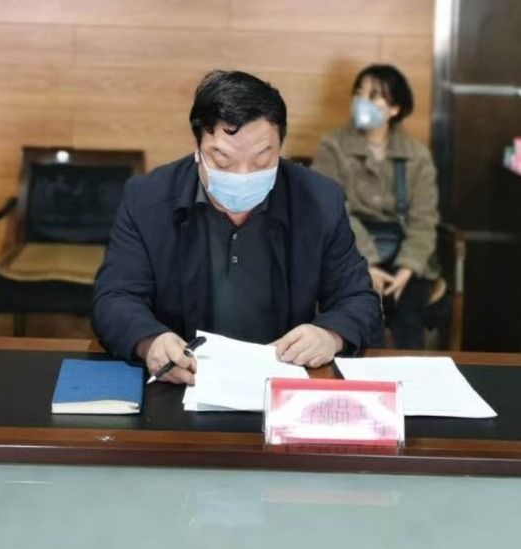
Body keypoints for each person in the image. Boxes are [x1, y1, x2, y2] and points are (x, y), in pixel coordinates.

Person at [93, 70, 381, 384]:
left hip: (283, 381)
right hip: (184, 381)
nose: (243, 175)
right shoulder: (148, 199)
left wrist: (330, 335)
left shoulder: (319, 201)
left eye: (261, 160)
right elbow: (114, 298)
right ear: (198, 148)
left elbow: (359, 299)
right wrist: (151, 342)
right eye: (223, 160)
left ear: (280, 148)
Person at [312, 64, 440, 349]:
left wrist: (407, 268)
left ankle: (412, 374)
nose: (362, 101)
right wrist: (367, 263)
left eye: (373, 96)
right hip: (348, 250)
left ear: (394, 108)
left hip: (405, 254)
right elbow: (330, 209)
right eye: (359, 93)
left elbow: (424, 218)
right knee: (361, 313)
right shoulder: (333, 146)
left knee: (408, 315)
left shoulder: (417, 155)